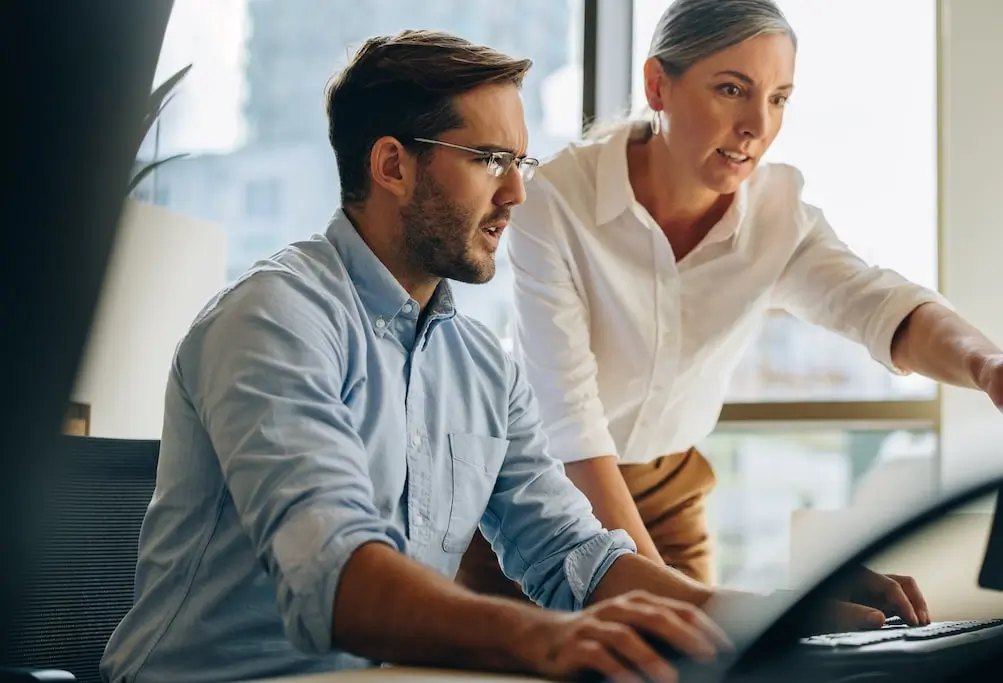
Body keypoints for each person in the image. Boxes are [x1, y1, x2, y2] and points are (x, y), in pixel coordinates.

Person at [98, 29, 925, 683]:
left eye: (520, 162)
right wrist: (549, 641)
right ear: (392, 164)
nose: (518, 193)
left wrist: (778, 613)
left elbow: (584, 558)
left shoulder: (481, 370)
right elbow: (338, 576)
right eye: (490, 160)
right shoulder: (276, 318)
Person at [455, 0, 1003, 595]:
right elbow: (571, 428)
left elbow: (879, 306)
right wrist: (700, 609)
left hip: (669, 491)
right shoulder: (552, 200)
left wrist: (988, 366)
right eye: (732, 90)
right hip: (540, 497)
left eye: (779, 97)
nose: (758, 126)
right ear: (658, 85)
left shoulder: (775, 215)